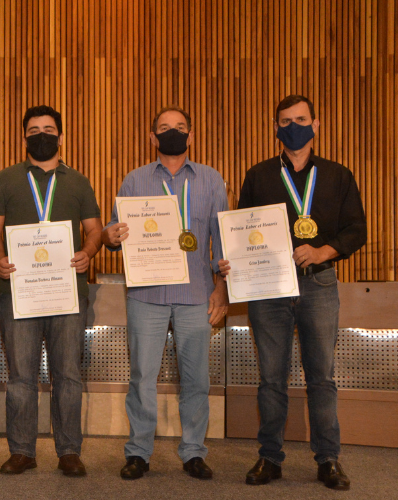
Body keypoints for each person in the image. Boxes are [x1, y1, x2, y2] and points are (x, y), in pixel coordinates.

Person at [237, 95, 366, 491]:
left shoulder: (337, 175)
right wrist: (233, 262)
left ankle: (328, 460)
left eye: (301, 119)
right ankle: (270, 458)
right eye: (285, 120)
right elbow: (241, 230)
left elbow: (356, 229)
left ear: (316, 124)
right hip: (269, 288)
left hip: (320, 283)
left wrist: (323, 250)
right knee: (271, 379)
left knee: (321, 378)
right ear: (275, 128)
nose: (294, 125)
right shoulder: (258, 176)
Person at [102, 107, 230, 481]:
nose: (171, 133)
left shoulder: (211, 179)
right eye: (163, 128)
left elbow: (221, 241)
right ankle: (139, 452)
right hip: (147, 294)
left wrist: (222, 290)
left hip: (196, 293)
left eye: (179, 128)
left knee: (196, 379)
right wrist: (111, 236)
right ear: (152, 137)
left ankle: (193, 452)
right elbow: (115, 228)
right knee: (142, 376)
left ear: (191, 135)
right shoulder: (135, 180)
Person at [0, 105, 103, 477]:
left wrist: (87, 252)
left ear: (61, 137)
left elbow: (95, 229)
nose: (41, 135)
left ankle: (68, 451)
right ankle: (22, 450)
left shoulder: (79, 182)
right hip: (18, 292)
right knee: (21, 376)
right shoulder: (6, 179)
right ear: (24, 139)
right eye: (33, 130)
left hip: (68, 293)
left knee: (67, 374)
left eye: (48, 129)